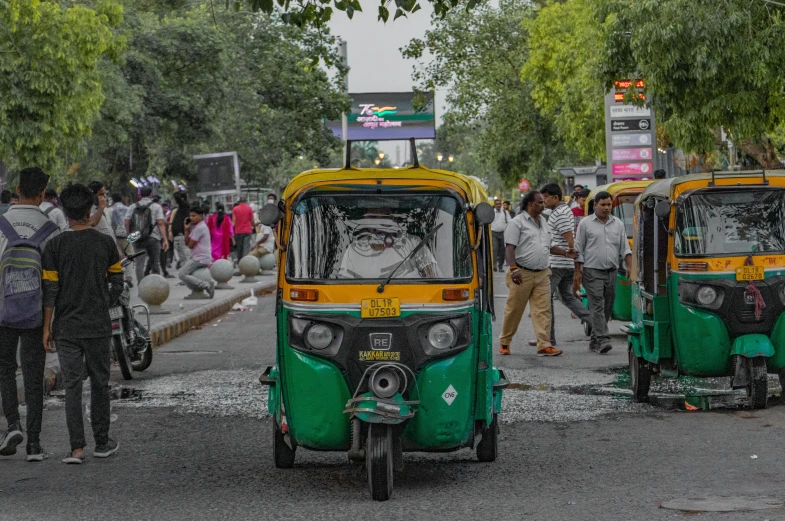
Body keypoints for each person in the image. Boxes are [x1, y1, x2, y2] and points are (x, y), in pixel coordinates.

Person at [42, 182, 122, 464]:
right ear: (90, 210)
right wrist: (104, 303)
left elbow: (50, 292)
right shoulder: (105, 243)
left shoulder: (54, 246)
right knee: (100, 382)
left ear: (64, 211)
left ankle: (76, 449)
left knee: (73, 386)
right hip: (98, 325)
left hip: (66, 327)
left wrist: (47, 327)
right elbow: (117, 282)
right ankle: (102, 442)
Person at [0, 167, 59, 462]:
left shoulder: (0, 224)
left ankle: (12, 424)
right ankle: (34, 444)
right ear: (41, 194)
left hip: (3, 312)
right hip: (37, 316)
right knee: (34, 375)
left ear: (17, 189)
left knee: (5, 369)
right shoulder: (50, 228)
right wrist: (50, 324)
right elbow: (52, 282)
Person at [499, 191, 568, 357]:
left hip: (543, 273)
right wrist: (513, 268)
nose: (544, 205)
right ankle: (505, 342)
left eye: (544, 202)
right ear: (530, 204)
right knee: (514, 310)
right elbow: (509, 248)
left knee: (543, 310)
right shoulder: (517, 223)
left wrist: (566, 253)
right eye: (540, 203)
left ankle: (544, 345)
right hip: (522, 273)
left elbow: (549, 246)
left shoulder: (543, 222)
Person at [573, 191, 632, 354]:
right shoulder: (585, 224)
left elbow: (624, 247)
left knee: (607, 307)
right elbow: (578, 248)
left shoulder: (618, 223)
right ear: (595, 205)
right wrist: (577, 272)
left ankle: (595, 340)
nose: (606, 208)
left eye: (609, 205)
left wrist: (629, 265)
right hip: (591, 272)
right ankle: (604, 339)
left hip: (612, 272)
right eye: (603, 205)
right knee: (597, 304)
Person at [540, 183, 589, 348]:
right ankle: (598, 326)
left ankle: (547, 338)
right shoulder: (561, 211)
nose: (544, 200)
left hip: (557, 265)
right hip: (564, 264)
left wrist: (576, 263)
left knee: (545, 300)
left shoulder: (560, 213)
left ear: (555, 197)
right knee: (567, 297)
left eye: (546, 197)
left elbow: (570, 240)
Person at [337, 209, 440, 279]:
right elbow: (342, 291)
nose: (379, 223)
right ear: (365, 219)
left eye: (384, 216)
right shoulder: (354, 250)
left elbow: (435, 280)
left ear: (393, 219)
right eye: (373, 217)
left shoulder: (413, 244)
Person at [125, 187, 168, 285]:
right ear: (151, 195)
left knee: (139, 264)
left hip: (137, 239)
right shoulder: (156, 206)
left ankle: (141, 287)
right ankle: (157, 286)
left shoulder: (132, 206)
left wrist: (130, 236)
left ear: (140, 195)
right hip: (153, 238)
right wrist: (165, 239)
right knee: (154, 262)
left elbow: (126, 222)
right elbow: (160, 223)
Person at [180, 204, 215, 298]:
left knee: (182, 274)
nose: (191, 218)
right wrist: (186, 230)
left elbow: (190, 245)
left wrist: (188, 234)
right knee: (184, 274)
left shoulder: (200, 228)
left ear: (200, 215)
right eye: (190, 216)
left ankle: (206, 285)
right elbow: (187, 243)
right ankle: (203, 287)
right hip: (200, 257)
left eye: (194, 216)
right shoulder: (198, 227)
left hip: (200, 258)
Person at [169, 192, 189, 268]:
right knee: (182, 256)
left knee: (184, 257)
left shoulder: (184, 206)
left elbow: (176, 196)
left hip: (180, 234)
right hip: (180, 234)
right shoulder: (183, 208)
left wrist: (176, 190)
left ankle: (186, 274)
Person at [490, 199, 511, 272]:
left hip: (503, 233)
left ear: (501, 204)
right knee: (494, 249)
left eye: (499, 204)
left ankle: (500, 267)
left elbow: (509, 222)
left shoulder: (505, 212)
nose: (498, 205)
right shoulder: (492, 212)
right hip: (494, 233)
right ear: (495, 205)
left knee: (502, 250)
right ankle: (494, 265)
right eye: (497, 204)